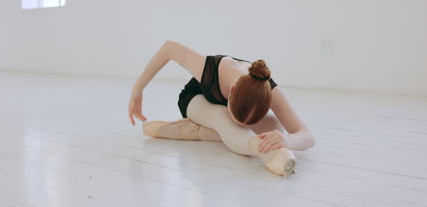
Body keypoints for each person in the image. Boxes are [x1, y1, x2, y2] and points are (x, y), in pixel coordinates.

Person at [128, 40, 315, 176]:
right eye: (239, 119)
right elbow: (169, 48)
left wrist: (289, 141)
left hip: (217, 118)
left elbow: (307, 136)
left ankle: (195, 132)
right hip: (195, 100)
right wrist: (138, 89)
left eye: (247, 123)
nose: (241, 124)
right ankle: (257, 147)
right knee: (222, 115)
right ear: (231, 92)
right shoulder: (209, 69)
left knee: (274, 126)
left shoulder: (269, 90)